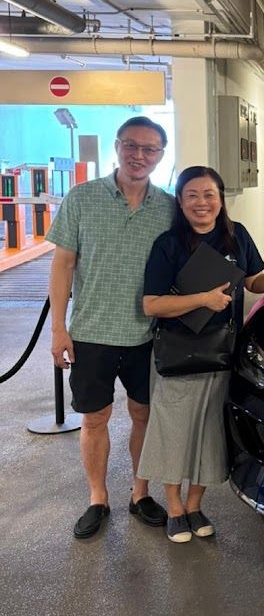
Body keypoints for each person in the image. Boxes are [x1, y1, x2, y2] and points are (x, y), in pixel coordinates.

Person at [138, 165, 264, 543]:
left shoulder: (236, 236)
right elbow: (152, 305)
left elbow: (252, 280)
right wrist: (203, 300)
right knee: (174, 431)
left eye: (209, 195)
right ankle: (175, 508)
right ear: (179, 201)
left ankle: (196, 505)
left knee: (210, 431)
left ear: (220, 199)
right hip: (178, 355)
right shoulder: (168, 245)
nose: (202, 203)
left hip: (223, 351)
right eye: (192, 195)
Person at [48, 117, 175, 540]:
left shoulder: (169, 207)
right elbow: (63, 264)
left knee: (144, 415)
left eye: (150, 149)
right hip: (91, 331)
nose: (140, 155)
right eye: (131, 146)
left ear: (160, 155)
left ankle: (140, 494)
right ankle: (97, 498)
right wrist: (58, 330)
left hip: (147, 335)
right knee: (94, 419)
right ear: (117, 147)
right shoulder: (82, 198)